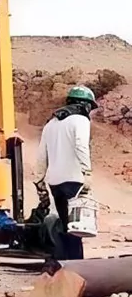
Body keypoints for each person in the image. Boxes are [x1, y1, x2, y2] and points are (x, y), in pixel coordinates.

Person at [34, 84, 97, 260]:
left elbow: (41, 155)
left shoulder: (50, 124)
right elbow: (81, 146)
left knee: (63, 225)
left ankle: (62, 263)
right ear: (86, 105)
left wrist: (39, 181)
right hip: (74, 180)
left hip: (54, 182)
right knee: (76, 227)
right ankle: (76, 266)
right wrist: (87, 172)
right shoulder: (80, 120)